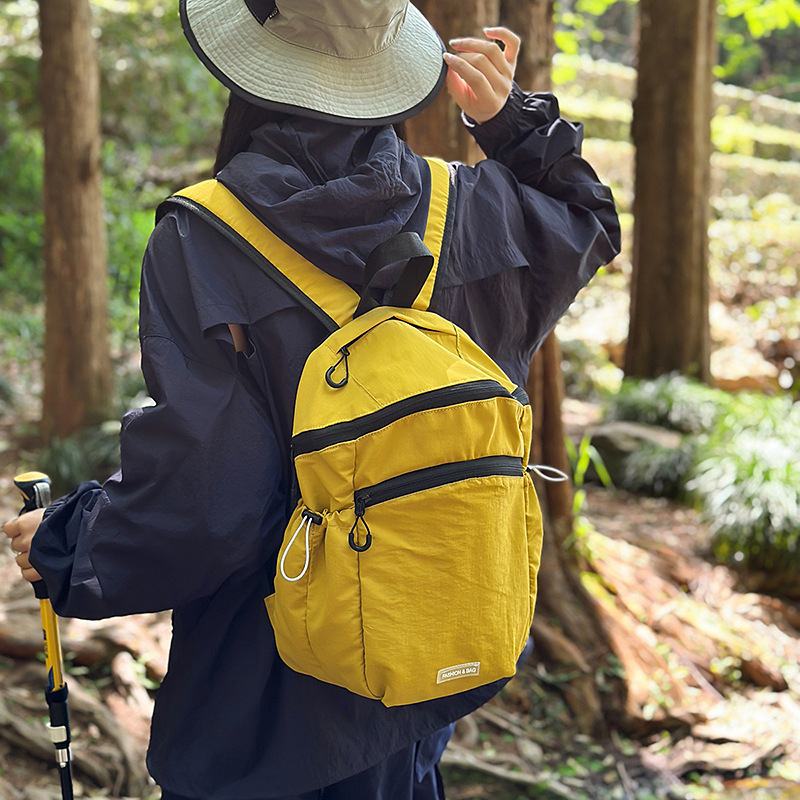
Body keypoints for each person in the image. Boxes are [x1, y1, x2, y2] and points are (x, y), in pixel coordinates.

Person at [3, 1, 621, 797]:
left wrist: (68, 545)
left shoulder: (203, 239)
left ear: (251, 63)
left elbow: (207, 506)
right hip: (418, 668)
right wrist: (512, 125)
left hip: (263, 699)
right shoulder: (467, 207)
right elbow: (586, 221)